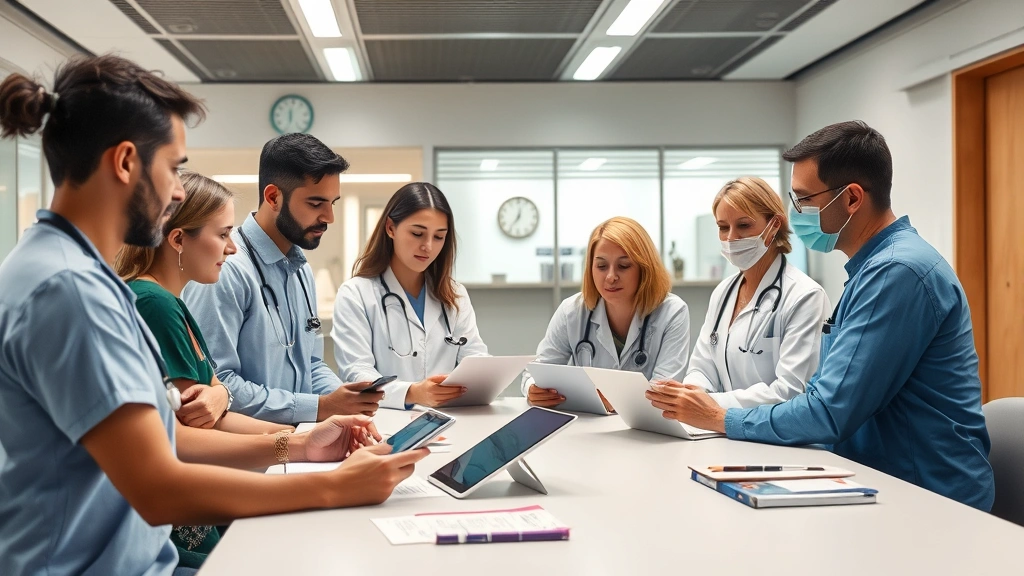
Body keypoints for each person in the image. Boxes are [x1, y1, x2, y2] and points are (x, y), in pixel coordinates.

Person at [0, 54, 427, 576]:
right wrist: (332, 486)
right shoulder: (70, 291)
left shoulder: (70, 271)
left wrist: (299, 443)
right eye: (174, 168)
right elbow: (157, 486)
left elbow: (159, 438)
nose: (180, 191)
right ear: (126, 162)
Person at [647, 121, 995, 510]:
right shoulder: (871, 270)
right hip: (875, 476)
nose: (797, 213)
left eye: (803, 200)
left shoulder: (897, 273)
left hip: (927, 495)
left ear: (851, 199)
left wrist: (720, 417)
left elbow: (827, 412)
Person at [183, 133, 384, 424]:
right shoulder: (226, 269)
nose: (329, 217)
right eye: (316, 204)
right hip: (251, 456)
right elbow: (217, 385)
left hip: (297, 444)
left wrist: (347, 399)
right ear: (273, 197)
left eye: (333, 203)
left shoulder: (300, 270)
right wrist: (321, 408)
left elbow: (310, 365)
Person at [116, 171, 290, 435]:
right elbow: (198, 426)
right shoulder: (155, 304)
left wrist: (298, 435)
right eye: (223, 235)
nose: (233, 248)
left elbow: (215, 404)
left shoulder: (173, 303)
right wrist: (295, 444)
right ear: (178, 240)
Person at [332, 182, 487, 409]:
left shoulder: (455, 295)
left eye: (439, 237)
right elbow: (357, 373)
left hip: (449, 420)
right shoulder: (356, 294)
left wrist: (485, 375)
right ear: (390, 228)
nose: (428, 246)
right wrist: (412, 393)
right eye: (417, 233)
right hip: (385, 424)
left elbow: (474, 357)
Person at [679, 176, 830, 409]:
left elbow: (791, 391)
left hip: (779, 441)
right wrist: (691, 394)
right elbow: (702, 367)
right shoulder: (723, 292)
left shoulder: (805, 296)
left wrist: (709, 403)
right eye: (723, 227)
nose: (731, 238)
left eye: (743, 225)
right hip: (723, 431)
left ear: (774, 226)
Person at [523, 216, 690, 407]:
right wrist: (533, 388)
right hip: (588, 428)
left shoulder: (672, 312)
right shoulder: (572, 311)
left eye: (624, 266)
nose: (611, 277)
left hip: (646, 431)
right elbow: (537, 371)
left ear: (645, 269)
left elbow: (664, 393)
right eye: (601, 266)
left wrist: (613, 400)